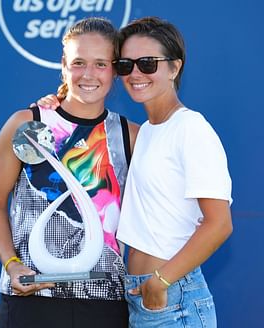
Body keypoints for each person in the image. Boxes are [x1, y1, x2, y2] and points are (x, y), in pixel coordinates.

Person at [37, 16, 233, 328]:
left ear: (175, 67)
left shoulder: (191, 128)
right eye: (126, 65)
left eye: (148, 63)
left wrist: (160, 281)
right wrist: (59, 101)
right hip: (142, 295)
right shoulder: (144, 133)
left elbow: (219, 224)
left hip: (172, 298)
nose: (136, 73)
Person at [0, 17, 139, 328]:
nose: (89, 74)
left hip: (105, 306)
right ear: (64, 65)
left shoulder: (130, 135)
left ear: (115, 70)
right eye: (79, 62)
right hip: (30, 302)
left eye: (100, 64)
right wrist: (11, 264)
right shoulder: (26, 125)